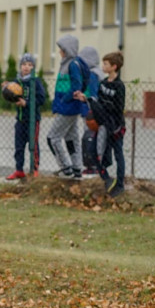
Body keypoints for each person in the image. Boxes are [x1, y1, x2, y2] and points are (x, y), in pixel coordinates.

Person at [76, 51, 126, 197]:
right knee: (95, 152)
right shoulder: (103, 83)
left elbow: (117, 108)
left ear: (114, 66)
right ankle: (107, 178)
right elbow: (98, 102)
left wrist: (113, 125)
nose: (103, 66)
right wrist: (86, 99)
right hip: (102, 125)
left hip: (115, 127)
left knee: (118, 155)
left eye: (106, 64)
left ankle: (120, 184)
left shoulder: (119, 86)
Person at [46, 35, 87, 179]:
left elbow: (76, 86)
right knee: (71, 138)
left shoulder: (72, 65)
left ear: (67, 50)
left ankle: (66, 168)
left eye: (61, 49)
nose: (59, 52)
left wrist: (65, 99)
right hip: (69, 107)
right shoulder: (68, 63)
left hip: (68, 108)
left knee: (52, 138)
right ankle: (77, 169)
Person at [5, 53, 47, 180]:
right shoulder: (16, 82)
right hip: (20, 119)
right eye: (24, 64)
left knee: (33, 146)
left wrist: (26, 103)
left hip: (33, 120)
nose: (26, 67)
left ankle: (34, 169)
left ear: (33, 67)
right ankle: (19, 170)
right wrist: (6, 89)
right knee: (19, 146)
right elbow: (11, 94)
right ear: (20, 66)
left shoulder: (35, 81)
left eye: (30, 65)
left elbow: (41, 99)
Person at [78, 46, 103, 175]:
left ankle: (92, 165)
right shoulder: (96, 73)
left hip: (90, 112)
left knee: (90, 137)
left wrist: (87, 103)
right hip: (90, 110)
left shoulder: (93, 74)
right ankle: (93, 164)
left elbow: (93, 95)